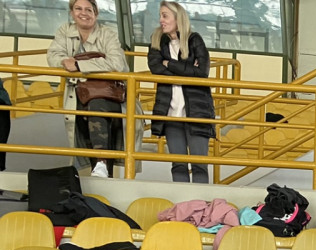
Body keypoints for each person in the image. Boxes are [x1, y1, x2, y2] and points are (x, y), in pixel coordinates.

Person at [47, 0, 130, 178]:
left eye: (88, 10)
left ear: (96, 14)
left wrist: (79, 64)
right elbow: (53, 56)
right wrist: (65, 61)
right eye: (78, 9)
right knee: (84, 127)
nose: (83, 13)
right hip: (78, 94)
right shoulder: (64, 31)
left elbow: (116, 63)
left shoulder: (108, 34)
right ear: (72, 12)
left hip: (109, 95)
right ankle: (100, 170)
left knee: (97, 106)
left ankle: (102, 163)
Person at [146, 2, 214, 184]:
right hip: (170, 114)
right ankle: (182, 200)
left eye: (165, 16)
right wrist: (187, 71)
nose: (161, 20)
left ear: (178, 18)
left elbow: (202, 72)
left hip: (197, 113)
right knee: (178, 165)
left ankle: (200, 200)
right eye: (160, 15)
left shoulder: (195, 39)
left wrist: (169, 64)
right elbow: (155, 68)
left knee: (200, 165)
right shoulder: (156, 40)